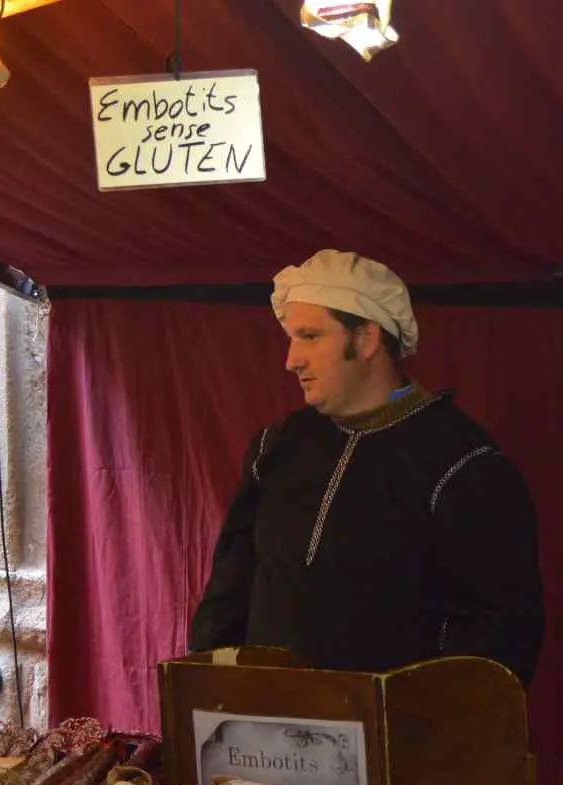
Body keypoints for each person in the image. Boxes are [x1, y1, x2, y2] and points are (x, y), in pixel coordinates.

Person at [189, 249, 544, 685]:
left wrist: (422, 728)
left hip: (392, 739)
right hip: (268, 736)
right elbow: (229, 594)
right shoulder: (277, 446)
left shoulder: (461, 463)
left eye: (310, 336)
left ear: (367, 338)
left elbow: (498, 634)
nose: (291, 359)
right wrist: (210, 695)